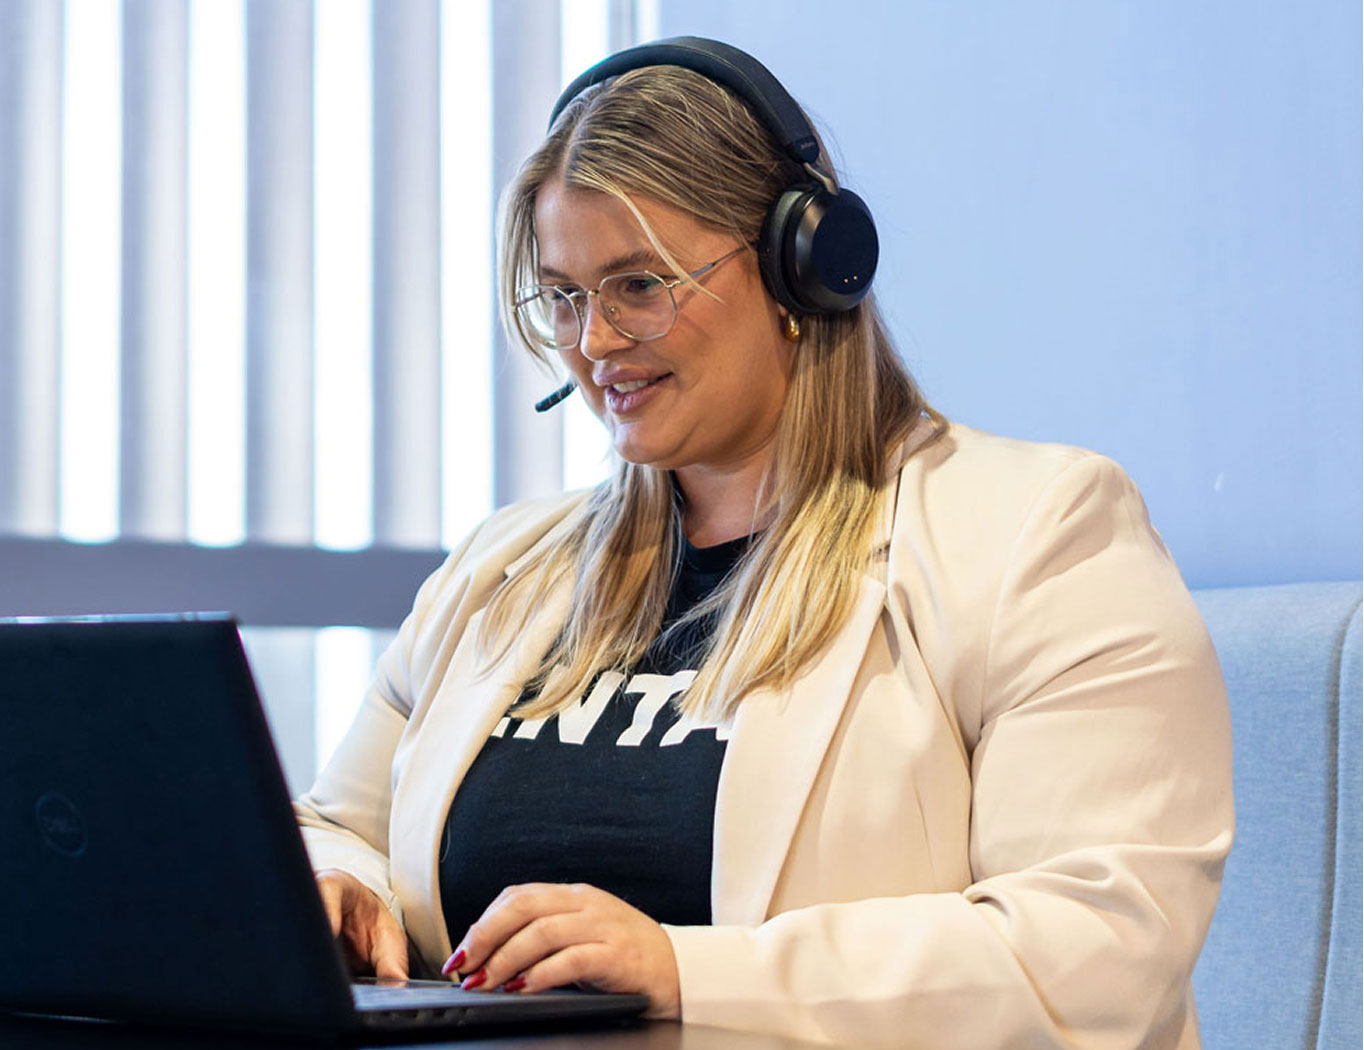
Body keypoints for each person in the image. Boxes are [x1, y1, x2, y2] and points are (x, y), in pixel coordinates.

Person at [294, 37, 1233, 1049]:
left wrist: (681, 968)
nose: (595, 342)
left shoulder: (1039, 534)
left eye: (638, 286)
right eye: (564, 295)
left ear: (806, 269)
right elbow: (335, 822)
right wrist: (337, 887)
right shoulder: (504, 570)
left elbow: (1095, 951)